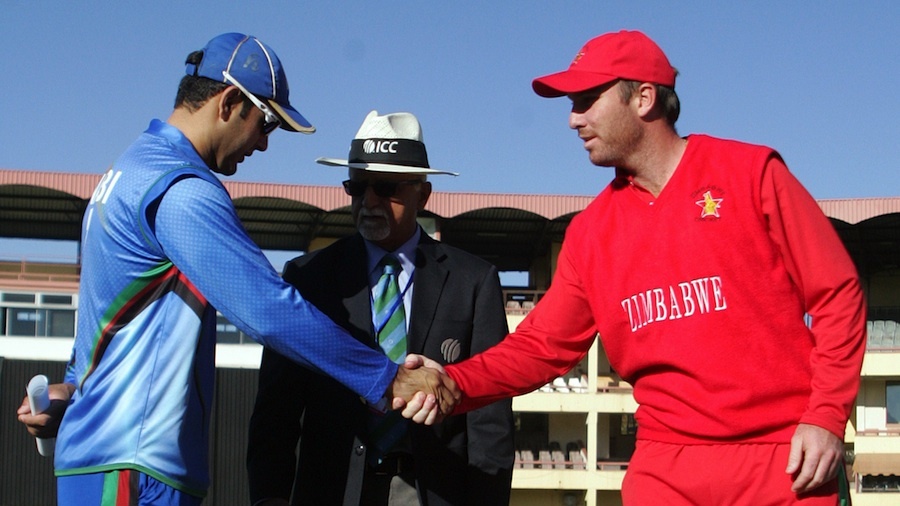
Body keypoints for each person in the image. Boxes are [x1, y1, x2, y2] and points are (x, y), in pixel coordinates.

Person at [406, 30, 867, 505]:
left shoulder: (751, 173)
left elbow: (838, 294)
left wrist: (826, 416)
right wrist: (456, 382)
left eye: (586, 99)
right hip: (663, 469)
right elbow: (541, 347)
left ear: (644, 97)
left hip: (784, 461)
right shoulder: (591, 232)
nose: (572, 119)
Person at [15, 34, 444, 505]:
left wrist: (76, 391)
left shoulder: (124, 173)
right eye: (266, 124)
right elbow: (268, 309)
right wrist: (387, 378)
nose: (263, 143)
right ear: (229, 102)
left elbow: (101, 319)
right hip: (134, 466)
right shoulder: (181, 189)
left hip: (105, 456)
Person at [247, 110, 515, 506]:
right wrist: (269, 499)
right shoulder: (309, 278)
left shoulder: (472, 281)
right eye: (357, 188)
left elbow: (491, 423)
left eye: (386, 187)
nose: (369, 201)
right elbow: (276, 411)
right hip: (332, 491)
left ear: (422, 195)